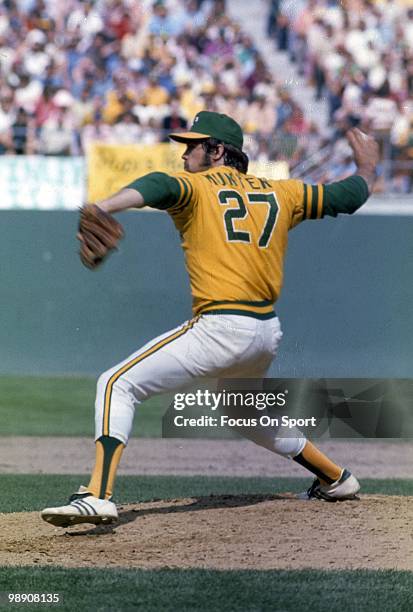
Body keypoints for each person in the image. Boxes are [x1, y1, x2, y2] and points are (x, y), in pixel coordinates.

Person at [41, 111, 379, 527]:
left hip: (221, 327)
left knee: (116, 384)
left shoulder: (197, 187)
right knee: (242, 413)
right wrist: (366, 165)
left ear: (217, 151)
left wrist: (105, 205)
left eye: (192, 146)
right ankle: (335, 478)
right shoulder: (283, 192)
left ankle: (97, 495)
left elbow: (158, 186)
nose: (184, 155)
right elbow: (347, 197)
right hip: (264, 332)